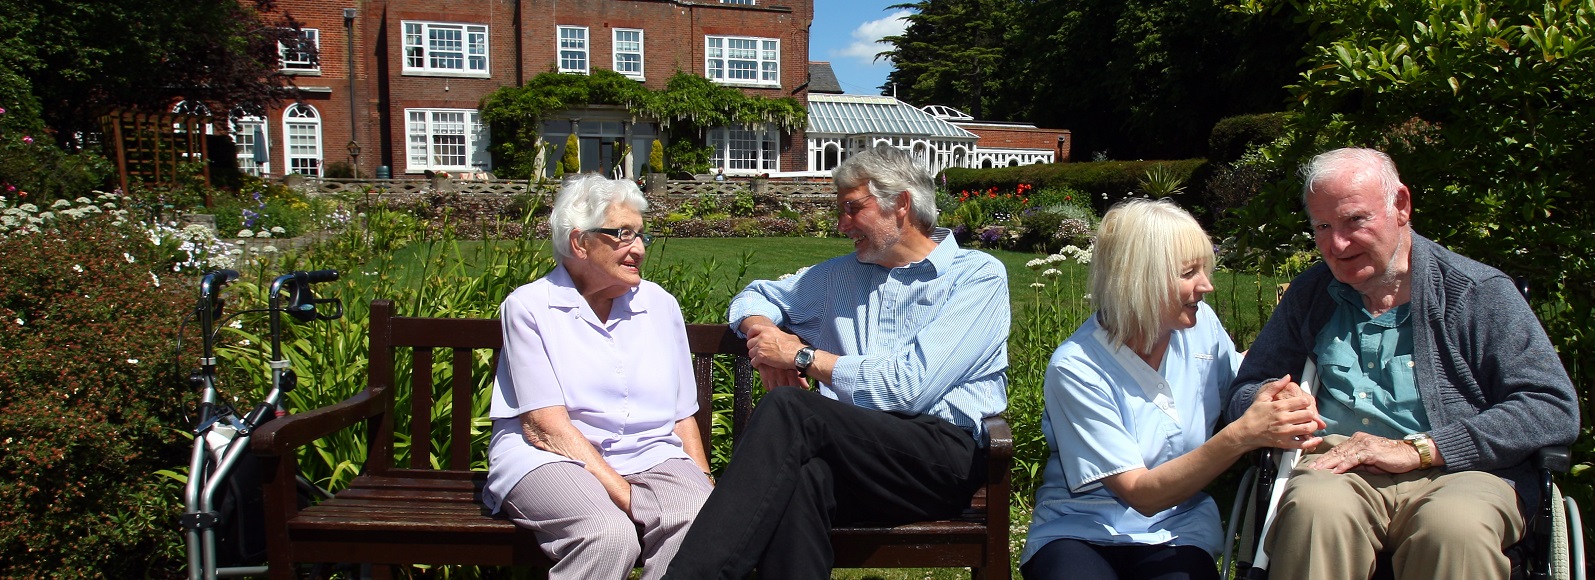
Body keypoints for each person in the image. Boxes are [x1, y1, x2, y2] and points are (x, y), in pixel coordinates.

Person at [1229, 148, 1580, 579]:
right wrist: (1266, 400)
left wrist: (1421, 449)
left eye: (1354, 220)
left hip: (1463, 472)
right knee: (1315, 510)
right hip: (1337, 466)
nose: (1337, 244)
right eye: (1323, 227)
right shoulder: (1312, 295)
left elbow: (1550, 407)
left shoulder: (1476, 292)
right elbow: (1246, 389)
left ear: (1401, 206)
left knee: (1454, 528)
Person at [665, 145, 1011, 579]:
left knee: (791, 410)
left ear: (901, 204)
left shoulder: (975, 276)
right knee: (802, 479)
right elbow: (755, 296)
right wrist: (766, 332)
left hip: (936, 461)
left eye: (852, 208)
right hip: (852, 457)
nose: (841, 223)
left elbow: (908, 388)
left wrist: (802, 357)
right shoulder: (839, 276)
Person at [1021, 200, 1322, 580]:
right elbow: (1141, 494)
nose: (1206, 285)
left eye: (1205, 270)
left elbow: (1240, 382)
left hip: (1178, 529)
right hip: (1081, 529)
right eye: (1188, 273)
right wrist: (1241, 435)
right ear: (1137, 278)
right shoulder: (1077, 368)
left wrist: (1274, 395)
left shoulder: (1200, 326)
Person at [484, 174, 713, 579]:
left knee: (700, 523)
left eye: (641, 235)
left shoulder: (660, 305)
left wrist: (704, 482)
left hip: (650, 453)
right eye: (623, 234)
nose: (638, 248)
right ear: (580, 243)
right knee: (606, 534)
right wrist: (628, 497)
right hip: (550, 457)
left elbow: (682, 415)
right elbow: (545, 427)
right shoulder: (530, 307)